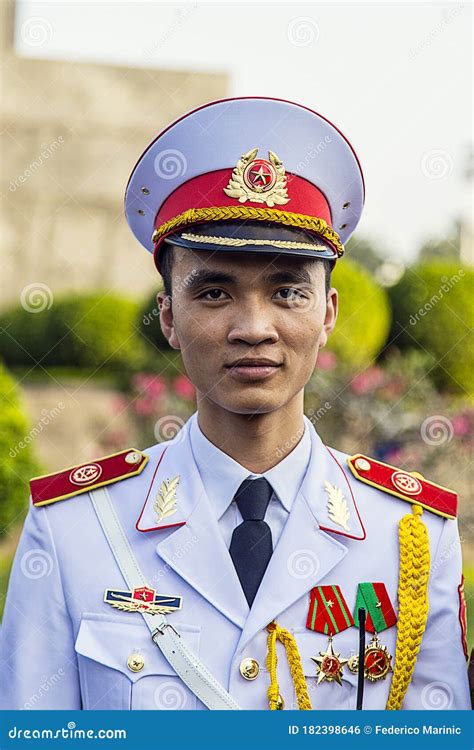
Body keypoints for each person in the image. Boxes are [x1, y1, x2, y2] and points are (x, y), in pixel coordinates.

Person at [0, 97, 469, 711]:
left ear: (327, 315)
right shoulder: (75, 529)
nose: (254, 327)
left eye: (287, 291)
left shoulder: (411, 535)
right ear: (169, 316)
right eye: (216, 291)